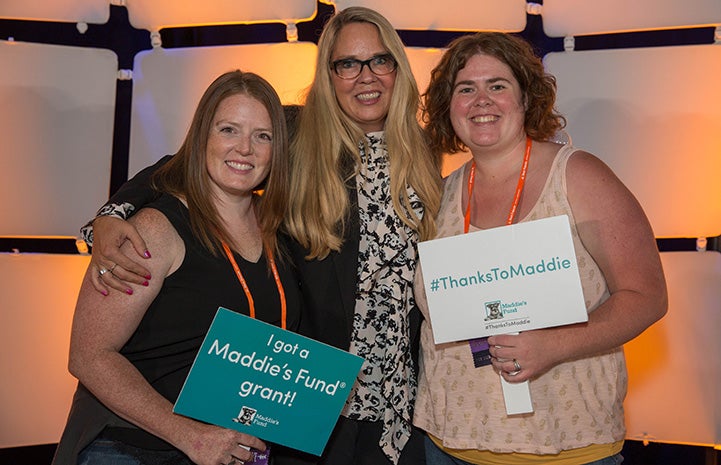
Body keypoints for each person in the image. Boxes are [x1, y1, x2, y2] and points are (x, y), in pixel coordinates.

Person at [77, 7, 442, 465]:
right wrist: (113, 213)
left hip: (403, 405)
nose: (364, 76)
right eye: (347, 63)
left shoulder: (423, 150)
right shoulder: (295, 133)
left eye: (379, 60)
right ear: (329, 74)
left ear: (398, 68)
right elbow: (186, 162)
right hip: (310, 404)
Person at [413, 32, 668, 465]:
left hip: (562, 446)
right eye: (465, 88)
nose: (482, 100)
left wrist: (553, 346)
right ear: (447, 107)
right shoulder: (438, 196)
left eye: (497, 85)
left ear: (527, 99)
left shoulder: (578, 176)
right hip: (449, 443)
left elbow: (647, 297)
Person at [52, 70, 302, 465]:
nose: (245, 149)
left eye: (263, 136)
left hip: (219, 447)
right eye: (228, 130)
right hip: (131, 447)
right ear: (202, 136)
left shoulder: (276, 229)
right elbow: (89, 355)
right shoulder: (154, 228)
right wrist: (190, 435)